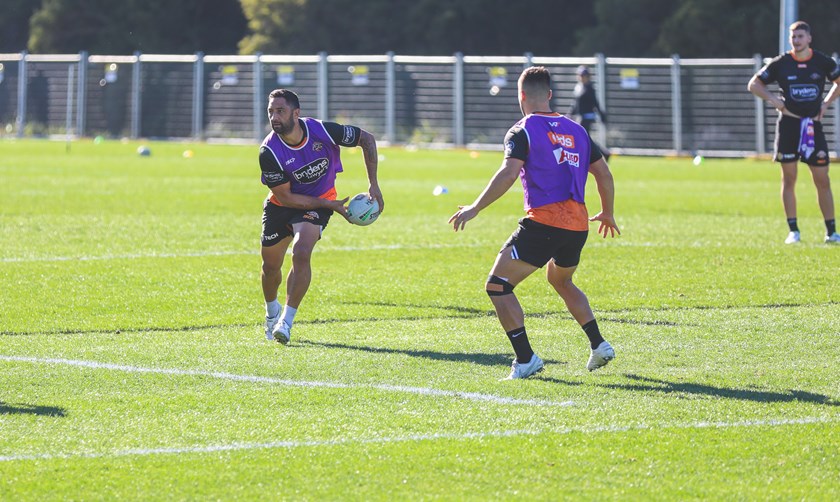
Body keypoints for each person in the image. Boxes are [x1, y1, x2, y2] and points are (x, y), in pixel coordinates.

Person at [449, 66, 620, 380]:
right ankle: (598, 344)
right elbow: (605, 175)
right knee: (561, 281)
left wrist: (475, 207)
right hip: (577, 226)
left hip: (545, 224)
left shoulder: (522, 129)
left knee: (498, 286)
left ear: (521, 96)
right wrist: (607, 212)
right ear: (551, 95)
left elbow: (508, 173)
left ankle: (525, 358)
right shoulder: (576, 130)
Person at [259, 88, 384, 344]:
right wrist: (332, 205)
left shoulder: (322, 131)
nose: (274, 117)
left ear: (296, 113)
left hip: (317, 205)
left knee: (301, 251)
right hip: (282, 204)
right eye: (271, 111)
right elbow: (286, 198)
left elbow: (367, 139)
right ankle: (271, 312)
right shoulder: (269, 151)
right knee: (270, 267)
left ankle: (286, 321)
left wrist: (374, 184)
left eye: (280, 111)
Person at [748, 20, 840, 244]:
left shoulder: (822, 61)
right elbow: (754, 84)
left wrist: (826, 104)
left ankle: (831, 232)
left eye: (800, 36)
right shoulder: (781, 63)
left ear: (809, 38)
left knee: (822, 179)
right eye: (793, 37)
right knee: (789, 178)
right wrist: (774, 101)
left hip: (812, 127)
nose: (796, 41)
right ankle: (793, 231)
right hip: (788, 125)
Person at [569, 65, 610, 161]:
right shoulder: (578, 87)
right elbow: (575, 104)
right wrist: (569, 114)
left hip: (587, 116)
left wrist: (601, 114)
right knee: (585, 137)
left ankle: (599, 153)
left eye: (584, 76)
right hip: (580, 116)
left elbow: (595, 103)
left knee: (583, 136)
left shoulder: (590, 88)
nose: (582, 77)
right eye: (581, 75)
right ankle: (603, 153)